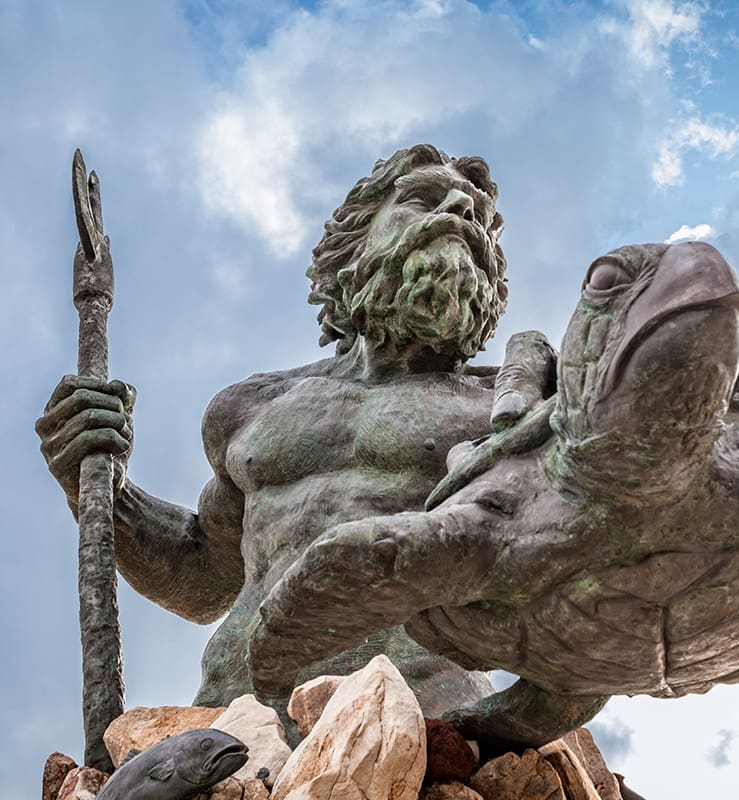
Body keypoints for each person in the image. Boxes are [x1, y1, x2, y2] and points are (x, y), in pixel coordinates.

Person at [36, 144, 554, 727]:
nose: (461, 212)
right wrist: (103, 488)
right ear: (357, 238)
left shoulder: (509, 413)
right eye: (425, 198)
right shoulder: (252, 407)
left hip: (422, 727)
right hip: (238, 730)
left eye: (479, 216)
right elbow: (205, 576)